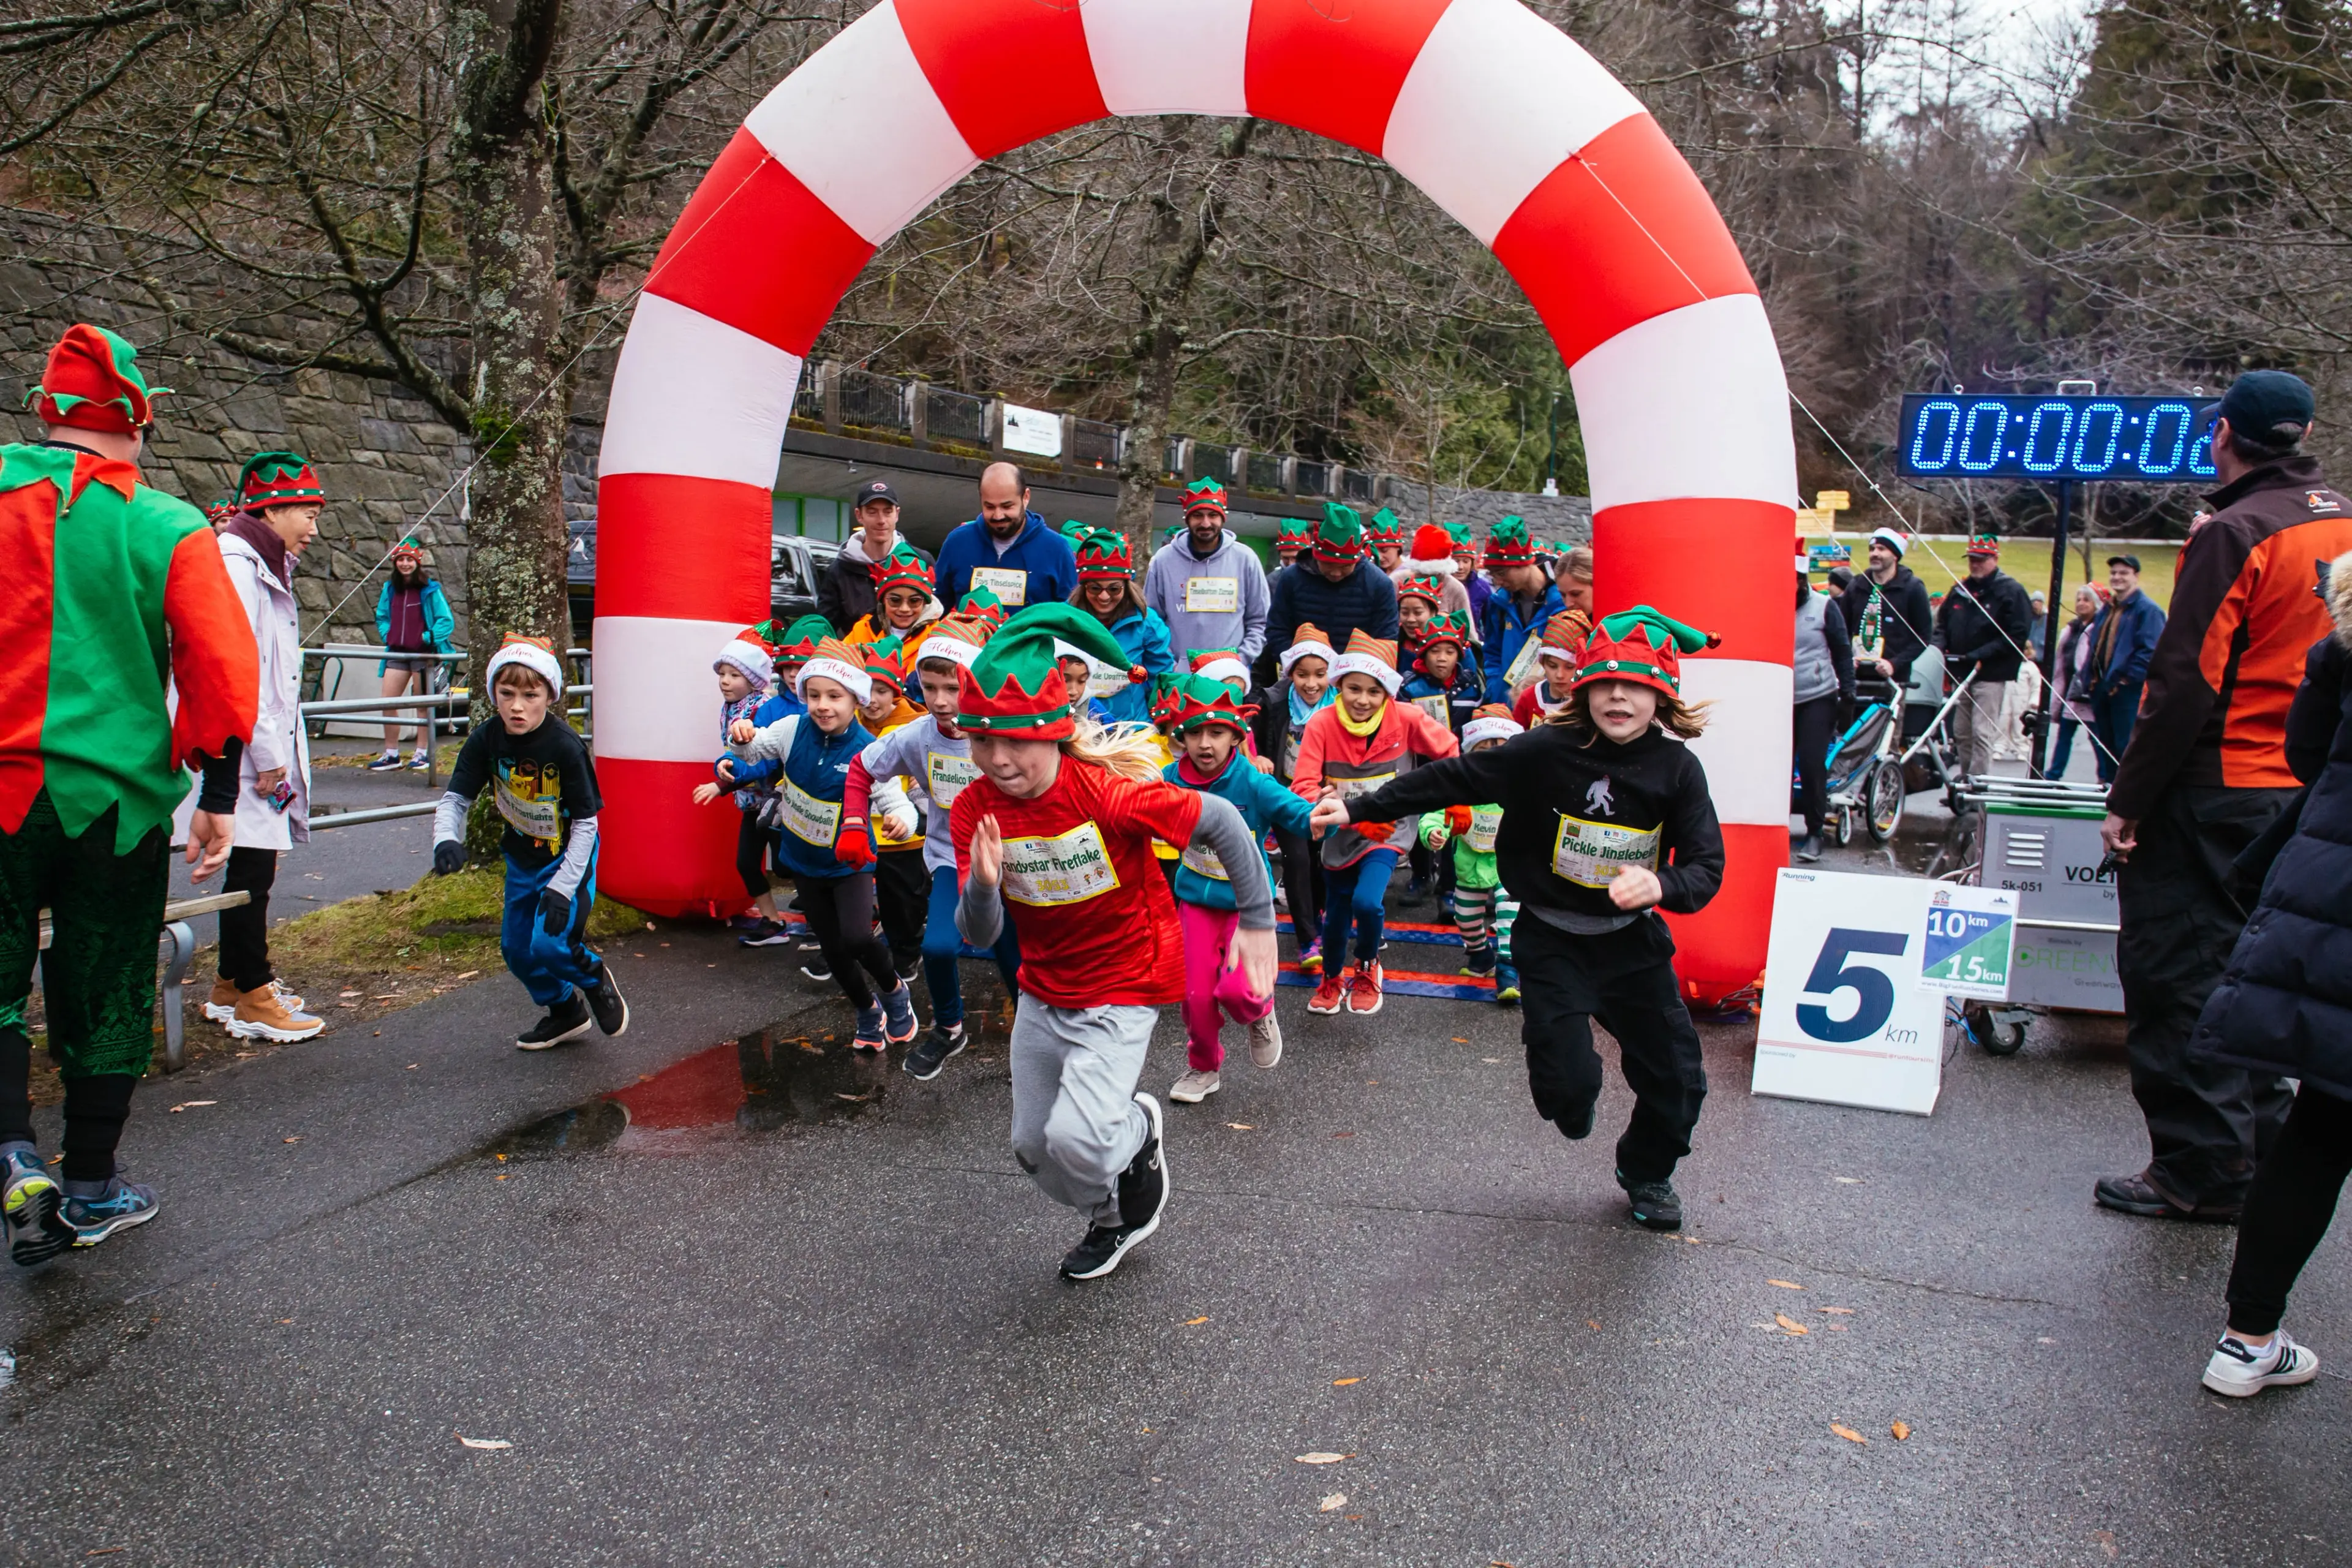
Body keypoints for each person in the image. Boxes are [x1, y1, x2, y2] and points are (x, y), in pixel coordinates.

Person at [1309, 608, 1725, 1231]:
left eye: (1636, 685)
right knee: (1570, 1091)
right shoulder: (1543, 752)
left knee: (1680, 1079)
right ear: (1581, 689)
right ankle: (1559, 1074)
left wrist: (1659, 882)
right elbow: (1451, 777)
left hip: (1631, 944)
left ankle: (1645, 1169)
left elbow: (1706, 868)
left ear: (1661, 696)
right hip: (1552, 935)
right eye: (1605, 683)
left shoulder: (1677, 769)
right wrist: (1358, 806)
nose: (1618, 696)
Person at [0, 323, 257, 1264]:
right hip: (114, 803)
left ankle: (9, 1149)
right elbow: (221, 673)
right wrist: (218, 792)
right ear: (135, 425)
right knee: (105, 987)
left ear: (48, 412)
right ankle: (90, 1188)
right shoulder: (167, 524)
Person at [949, 603, 1276, 1280]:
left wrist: (1257, 920)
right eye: (982, 741)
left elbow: (1219, 818)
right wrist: (983, 886)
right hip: (1043, 991)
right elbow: (981, 934)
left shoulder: (1103, 793)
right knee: (1034, 1148)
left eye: (1016, 741)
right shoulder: (974, 808)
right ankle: (1113, 1217)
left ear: (1053, 734)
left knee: (1084, 1139)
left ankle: (1135, 1135)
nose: (998, 759)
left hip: (1124, 984)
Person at [2097, 369, 2352, 1222]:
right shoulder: (2341, 519)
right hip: (2304, 787)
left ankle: (2201, 1169)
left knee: (2176, 972)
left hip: (2219, 783)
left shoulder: (2236, 531)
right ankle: (2262, 1147)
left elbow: (2185, 681)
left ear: (2225, 436)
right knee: (2263, 974)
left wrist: (2128, 797)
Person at [2188, 550, 2351, 1395]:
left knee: (2320, 1131)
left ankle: (2246, 1337)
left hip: (2331, 893)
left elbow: (2309, 750)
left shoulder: (2343, 640)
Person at [840, 616, 1018, 1080]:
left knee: (1016, 958)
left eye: (953, 688)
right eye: (930, 685)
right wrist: (856, 825)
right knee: (938, 948)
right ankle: (950, 1027)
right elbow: (861, 769)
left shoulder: (1005, 731)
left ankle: (1033, 1037)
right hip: (949, 858)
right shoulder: (917, 735)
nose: (940, 701)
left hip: (1014, 865)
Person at [432, 635, 628, 1050]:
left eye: (530, 695)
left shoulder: (565, 746)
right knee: (517, 950)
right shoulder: (486, 739)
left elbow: (587, 824)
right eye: (506, 694)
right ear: (494, 695)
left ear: (550, 696)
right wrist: (446, 839)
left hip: (568, 855)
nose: (517, 706)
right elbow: (455, 799)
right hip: (522, 858)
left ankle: (593, 979)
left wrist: (562, 887)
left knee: (550, 943)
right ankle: (565, 1012)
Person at [731, 637, 919, 1051]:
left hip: (850, 864)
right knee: (833, 951)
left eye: (834, 696)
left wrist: (901, 822)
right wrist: (741, 736)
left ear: (855, 700)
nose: (822, 705)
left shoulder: (869, 750)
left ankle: (893, 990)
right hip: (803, 860)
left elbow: (899, 803)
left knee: (857, 938)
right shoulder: (791, 729)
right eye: (813, 695)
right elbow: (752, 747)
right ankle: (868, 1010)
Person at [202, 453, 331, 1043]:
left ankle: (233, 982)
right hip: (244, 749)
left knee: (258, 861)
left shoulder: (261, 563)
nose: (313, 525)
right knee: (253, 863)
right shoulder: (238, 566)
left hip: (255, 743)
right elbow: (239, 668)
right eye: (306, 511)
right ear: (272, 508)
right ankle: (253, 990)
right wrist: (269, 754)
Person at [1290, 630, 1459, 1017]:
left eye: (1373, 691)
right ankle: (1332, 978)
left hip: (1390, 830)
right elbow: (1302, 785)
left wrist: (1458, 799)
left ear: (1388, 693)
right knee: (1334, 919)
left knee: (1367, 902)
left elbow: (1449, 749)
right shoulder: (1321, 723)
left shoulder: (1408, 717)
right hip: (1340, 834)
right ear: (1339, 687)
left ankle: (1367, 967)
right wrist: (1334, 807)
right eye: (1353, 689)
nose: (1362, 700)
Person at [1159, 674, 1308, 1104]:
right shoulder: (1170, 779)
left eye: (1217, 732)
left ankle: (1260, 1012)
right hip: (1196, 902)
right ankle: (1204, 1066)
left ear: (1235, 736)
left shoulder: (1253, 783)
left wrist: (1329, 816)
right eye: (1195, 733)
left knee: (1237, 989)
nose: (1205, 744)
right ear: (1181, 736)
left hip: (1248, 906)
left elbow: (1297, 813)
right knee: (1195, 995)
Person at [1417, 704, 1523, 999]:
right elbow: (1436, 814)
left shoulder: (1521, 784)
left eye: (1501, 747)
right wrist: (1433, 833)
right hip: (1471, 866)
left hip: (1509, 865)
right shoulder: (1460, 784)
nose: (1493, 753)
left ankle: (1508, 970)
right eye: (1485, 746)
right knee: (1465, 918)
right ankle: (1481, 957)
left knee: (1509, 918)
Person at [690, 627, 785, 942]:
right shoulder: (729, 709)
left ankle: (825, 920)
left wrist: (722, 784)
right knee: (746, 862)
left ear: (755, 680)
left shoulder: (761, 709)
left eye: (734, 675)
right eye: (722, 674)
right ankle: (773, 922)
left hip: (777, 802)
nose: (725, 681)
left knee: (788, 867)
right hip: (750, 803)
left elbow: (762, 760)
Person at [1251, 625, 1335, 975]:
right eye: (1302, 675)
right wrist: (1258, 760)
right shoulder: (1273, 701)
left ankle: (1320, 915)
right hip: (1285, 792)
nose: (1311, 684)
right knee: (1297, 859)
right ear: (1290, 674)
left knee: (1322, 861)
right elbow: (1253, 740)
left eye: (1320, 674)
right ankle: (1307, 939)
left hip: (1326, 793)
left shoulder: (1342, 704)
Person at [1257, 505, 1400, 687]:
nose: (1336, 573)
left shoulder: (1379, 584)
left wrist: (1351, 677)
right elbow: (1277, 629)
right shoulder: (1292, 578)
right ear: (1316, 555)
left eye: (1345, 567)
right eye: (1328, 565)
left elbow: (1385, 641)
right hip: (1302, 680)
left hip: (1354, 682)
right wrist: (1301, 668)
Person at [1933, 529, 2034, 778]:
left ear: (1995, 559)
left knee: (1982, 731)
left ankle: (1978, 784)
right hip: (1960, 670)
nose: (1975, 564)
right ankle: (1966, 779)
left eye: (1981, 559)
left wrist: (1980, 654)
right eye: (1972, 559)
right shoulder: (1959, 590)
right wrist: (1939, 648)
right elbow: (1942, 624)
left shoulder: (2011, 591)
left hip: (1990, 672)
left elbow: (2016, 636)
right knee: (1961, 731)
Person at [1144, 477, 1270, 668]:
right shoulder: (1163, 560)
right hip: (1177, 673)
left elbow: (1260, 621)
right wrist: (1170, 663)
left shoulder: (1246, 559)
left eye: (1213, 515)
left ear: (1222, 518)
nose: (1205, 523)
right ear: (1187, 518)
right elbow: (1152, 619)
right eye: (1198, 516)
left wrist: (1241, 660)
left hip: (1231, 673)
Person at [933, 462, 1078, 611]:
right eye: (989, 507)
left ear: (1026, 497)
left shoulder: (1057, 549)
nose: (998, 515)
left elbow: (1071, 615)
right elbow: (937, 608)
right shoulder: (957, 543)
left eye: (1007, 506)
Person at [366, 538, 454, 771]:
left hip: (423, 653)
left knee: (422, 704)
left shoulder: (430, 588)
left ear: (417, 561)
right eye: (401, 560)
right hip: (397, 651)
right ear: (395, 563)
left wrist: (427, 638)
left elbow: (446, 621)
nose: (405, 564)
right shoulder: (390, 588)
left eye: (409, 559)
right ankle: (391, 754)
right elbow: (382, 616)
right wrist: (389, 635)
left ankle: (421, 753)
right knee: (388, 701)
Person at [1069, 529, 1173, 723]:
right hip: (1076, 728)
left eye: (1114, 588)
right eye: (1095, 588)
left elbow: (1160, 681)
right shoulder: (1064, 621)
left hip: (1131, 730)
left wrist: (1157, 723)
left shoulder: (1147, 624)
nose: (1104, 596)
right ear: (1084, 588)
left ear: (1126, 587)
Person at [1792, 559, 1857, 863]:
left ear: (1804, 581)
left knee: (1811, 762)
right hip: (1777, 698)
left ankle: (1815, 832)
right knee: (1773, 766)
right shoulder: (1769, 606)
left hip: (1817, 696)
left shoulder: (1824, 607)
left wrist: (1848, 694)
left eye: (1796, 581)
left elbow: (1842, 652)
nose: (1791, 587)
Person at [2082, 554, 2165, 786]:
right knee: (2105, 747)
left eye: (2123, 573)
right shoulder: (2108, 608)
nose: (2117, 578)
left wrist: (2126, 681)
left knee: (2125, 747)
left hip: (2127, 692)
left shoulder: (2147, 611)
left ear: (2135, 577)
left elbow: (2150, 652)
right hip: (2101, 689)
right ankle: (2108, 794)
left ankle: (2127, 798)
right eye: (2114, 573)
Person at [818, 478, 933, 636]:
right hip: (858, 655)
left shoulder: (921, 560)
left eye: (888, 512)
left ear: (897, 514)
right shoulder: (839, 571)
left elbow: (936, 614)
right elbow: (825, 627)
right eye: (872, 512)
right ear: (859, 515)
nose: (881, 520)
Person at [1479, 516, 1564, 703]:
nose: (1498, 582)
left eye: (1502, 573)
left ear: (1525, 563)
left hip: (1550, 703)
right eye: (1493, 575)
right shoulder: (1499, 603)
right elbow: (1492, 652)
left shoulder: (1563, 601)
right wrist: (1496, 690)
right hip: (1507, 704)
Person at [1846, 527, 1935, 691]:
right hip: (1855, 677)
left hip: (1894, 680)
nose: (1875, 553)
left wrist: (1895, 663)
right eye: (1872, 549)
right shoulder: (1856, 586)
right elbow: (1841, 630)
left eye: (1882, 549)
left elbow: (1923, 636)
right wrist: (1846, 659)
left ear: (1895, 555)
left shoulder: (1912, 588)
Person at [2049, 582, 2106, 779]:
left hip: (2091, 692)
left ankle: (2105, 776)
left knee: (2098, 738)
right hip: (2071, 693)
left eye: (2087, 600)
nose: (2081, 603)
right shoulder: (2072, 630)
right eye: (2079, 599)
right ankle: (2053, 776)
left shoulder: (2101, 630)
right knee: (2064, 736)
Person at [845, 543, 943, 652]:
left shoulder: (938, 638)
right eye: (895, 600)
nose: (904, 609)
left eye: (914, 601)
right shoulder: (861, 631)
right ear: (883, 600)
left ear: (925, 602)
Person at [1400, 612, 1483, 735]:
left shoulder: (1470, 685)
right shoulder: (1408, 688)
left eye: (1450, 652)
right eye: (1434, 651)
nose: (1442, 658)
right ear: (1424, 655)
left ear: (1458, 656)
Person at [1393, 522, 1477, 639]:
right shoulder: (1397, 581)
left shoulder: (1455, 588)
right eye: (1423, 575)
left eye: (1436, 576)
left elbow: (1469, 633)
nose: (1430, 582)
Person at [1510, 614, 1585, 729]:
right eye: (1553, 666)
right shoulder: (1529, 698)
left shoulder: (1587, 699)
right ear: (1543, 664)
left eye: (1570, 667)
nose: (1560, 675)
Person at [1366, 507, 1408, 573]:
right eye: (1375, 552)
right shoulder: (1371, 573)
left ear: (1398, 547)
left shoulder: (1411, 576)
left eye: (1384, 550)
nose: (1379, 558)